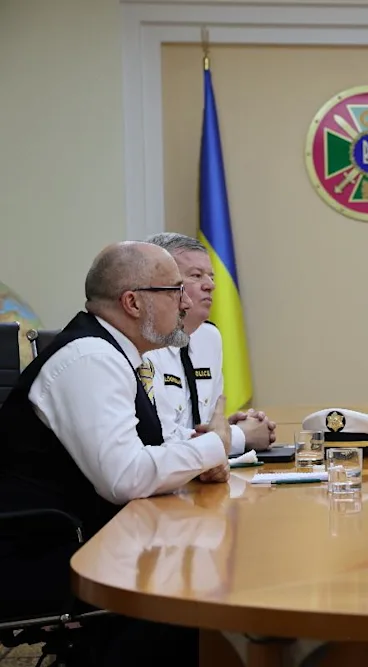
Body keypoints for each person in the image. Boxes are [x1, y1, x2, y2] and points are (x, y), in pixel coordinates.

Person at [0, 241, 232, 665]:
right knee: (192, 584)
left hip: (85, 535)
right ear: (133, 302)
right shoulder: (90, 359)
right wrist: (216, 445)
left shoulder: (113, 353)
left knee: (200, 562)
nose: (185, 303)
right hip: (40, 553)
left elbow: (147, 448)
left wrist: (212, 449)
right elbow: (126, 478)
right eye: (174, 291)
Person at [143, 232, 275, 454]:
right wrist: (239, 436)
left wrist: (226, 427)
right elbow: (162, 439)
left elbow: (203, 427)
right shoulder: (145, 342)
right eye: (196, 275)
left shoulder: (209, 338)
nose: (210, 285)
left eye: (211, 276)